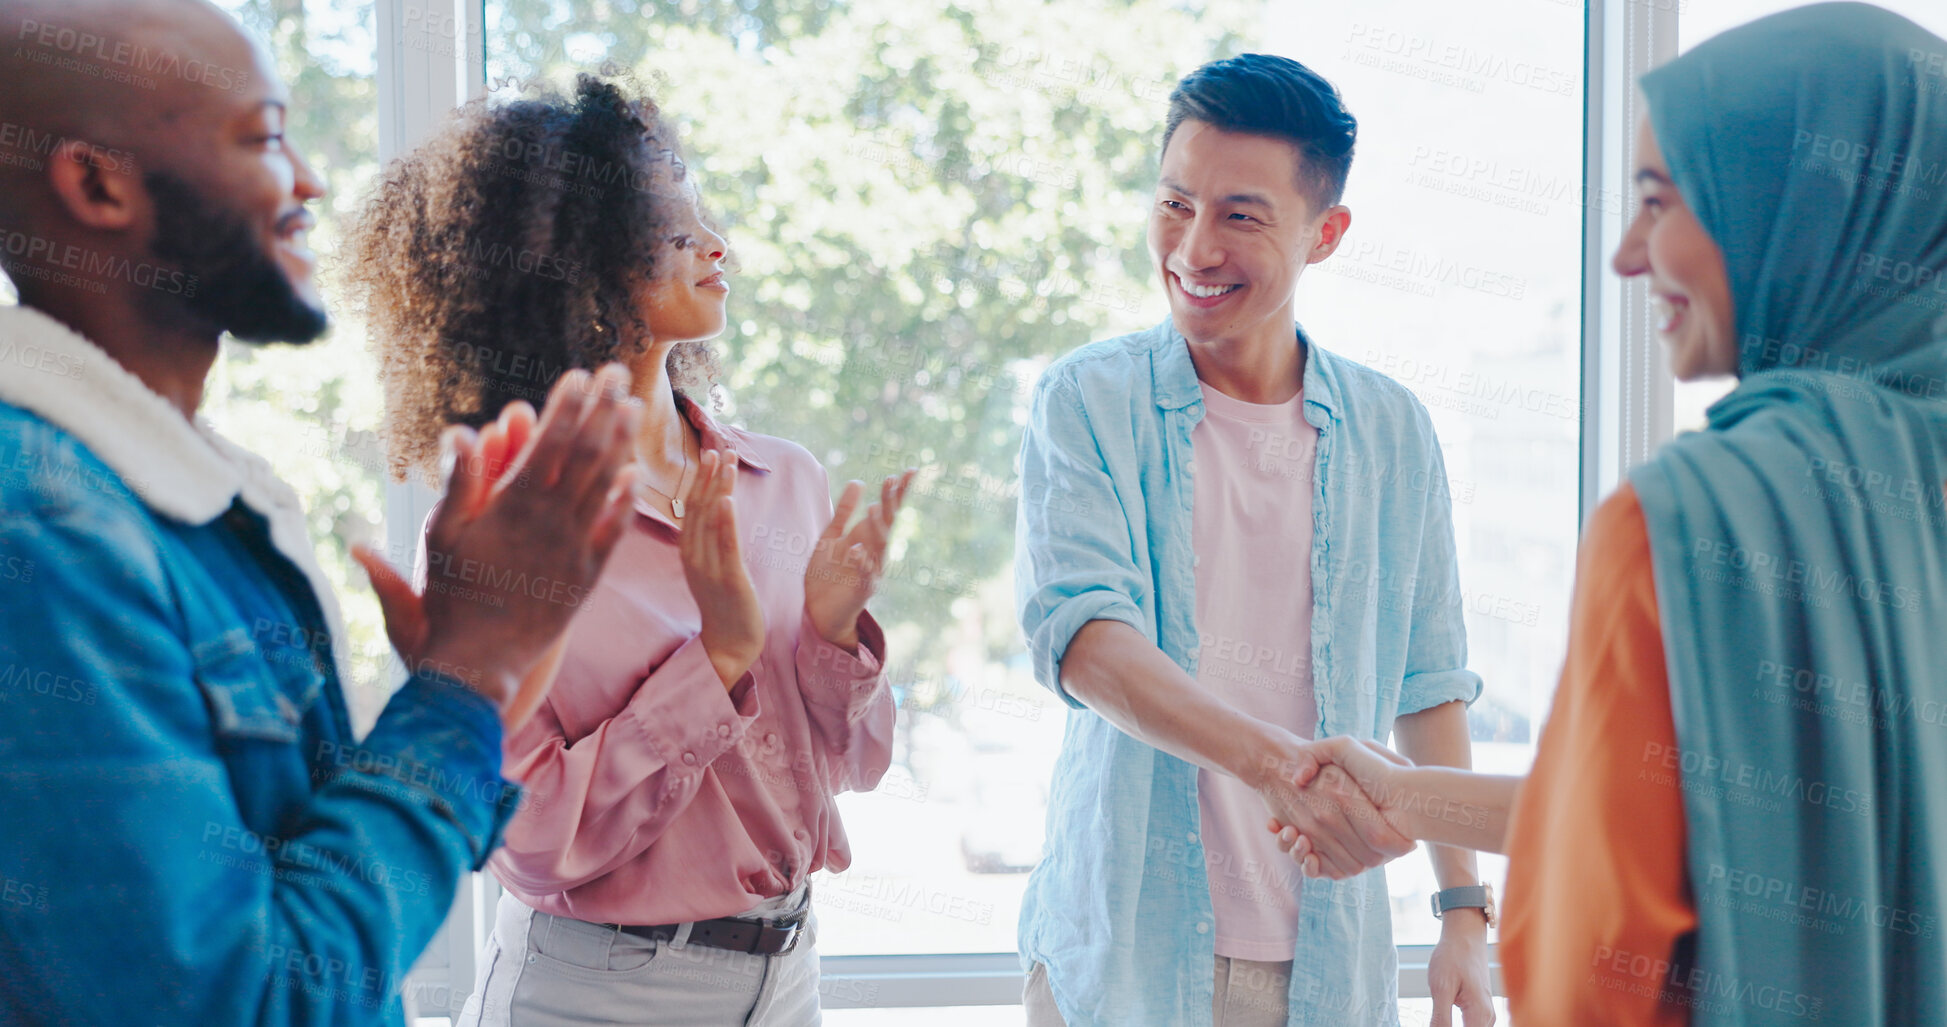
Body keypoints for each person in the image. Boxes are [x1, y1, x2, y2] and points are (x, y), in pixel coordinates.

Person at [1273, 5, 1947, 1024]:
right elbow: (1697, 810)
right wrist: (1408, 795)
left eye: (1660, 202)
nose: (1628, 256)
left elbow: (1601, 961)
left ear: (1792, 205)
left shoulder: (1694, 522)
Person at [0, 0, 643, 1023]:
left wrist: (484, 686)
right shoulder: (41, 522)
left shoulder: (179, 497)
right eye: (262, 137)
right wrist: (464, 682)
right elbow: (243, 1003)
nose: (307, 182)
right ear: (96, 182)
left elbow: (301, 906)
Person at [342, 74, 914, 1025]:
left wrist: (830, 631)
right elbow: (530, 841)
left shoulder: (787, 479)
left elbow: (857, 767)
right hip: (602, 994)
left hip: (791, 969)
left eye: (706, 222)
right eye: (677, 233)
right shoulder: (510, 523)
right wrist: (719, 658)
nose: (718, 246)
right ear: (586, 271)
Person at [1012, 53, 1494, 1027]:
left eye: (1239, 215)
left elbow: (1429, 679)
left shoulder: (1394, 429)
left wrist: (1463, 908)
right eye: (1174, 203)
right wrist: (1278, 766)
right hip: (1126, 957)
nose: (1193, 247)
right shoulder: (1088, 402)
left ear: (1326, 234)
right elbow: (1088, 642)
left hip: (1329, 963)